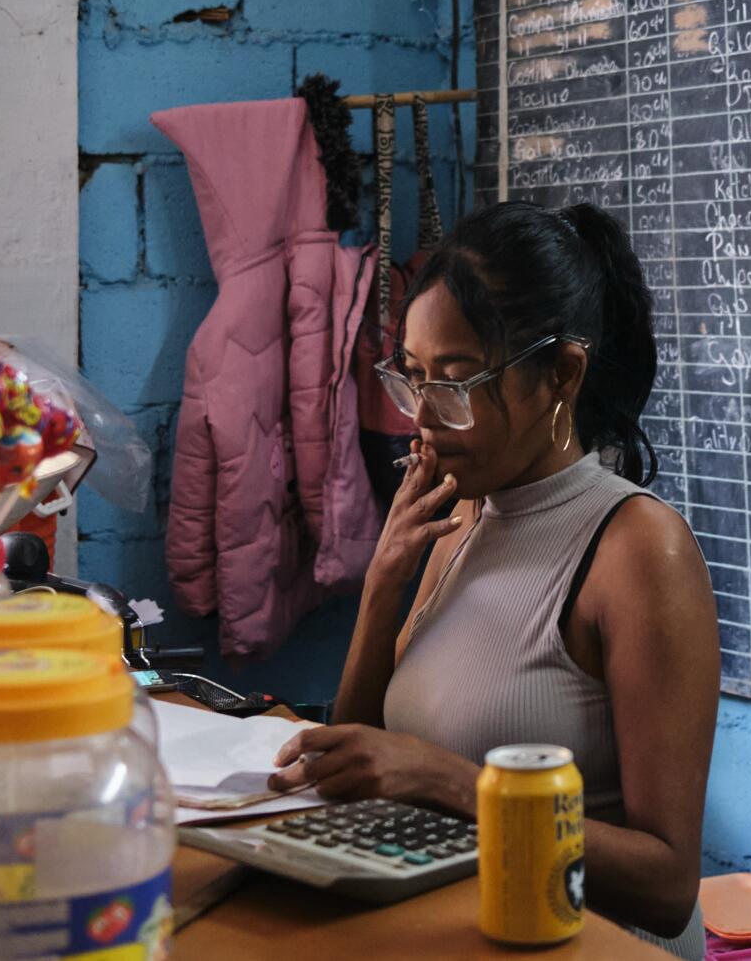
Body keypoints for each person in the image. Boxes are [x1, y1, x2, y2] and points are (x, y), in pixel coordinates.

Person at [268, 201, 720, 957]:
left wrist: (451, 782)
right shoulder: (465, 513)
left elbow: (668, 883)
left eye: (455, 382)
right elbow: (355, 758)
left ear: (561, 375)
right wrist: (383, 585)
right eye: (412, 378)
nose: (422, 419)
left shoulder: (638, 548)